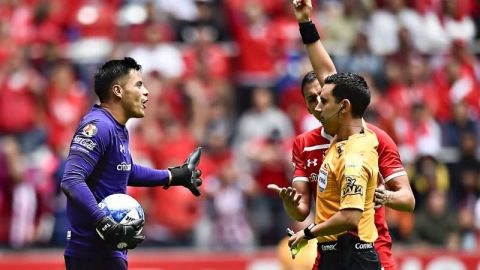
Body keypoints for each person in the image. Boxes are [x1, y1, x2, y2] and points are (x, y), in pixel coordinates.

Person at [270, 1, 415, 269]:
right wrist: (292, 207)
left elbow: (406, 200)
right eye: (311, 100)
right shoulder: (305, 144)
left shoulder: (372, 140)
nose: (317, 105)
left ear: (342, 105)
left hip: (370, 252)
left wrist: (386, 197)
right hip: (328, 254)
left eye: (323, 99)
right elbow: (301, 208)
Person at [60, 57, 202, 270]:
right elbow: (71, 180)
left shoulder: (118, 128)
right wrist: (104, 222)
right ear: (117, 91)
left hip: (107, 248)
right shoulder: (98, 127)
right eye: (138, 85)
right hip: (92, 251)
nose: (146, 92)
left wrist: (173, 176)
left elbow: (124, 170)